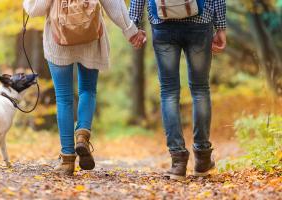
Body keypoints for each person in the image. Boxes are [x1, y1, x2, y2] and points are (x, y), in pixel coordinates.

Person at [23, 0, 146, 175]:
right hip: (91, 36)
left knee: (63, 98)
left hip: (59, 39)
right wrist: (131, 31)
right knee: (88, 90)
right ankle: (82, 135)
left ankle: (67, 159)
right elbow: (114, 5)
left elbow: (35, 9)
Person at [129, 0, 227, 180]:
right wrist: (220, 27)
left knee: (168, 92)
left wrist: (134, 24)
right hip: (200, 21)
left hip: (163, 23)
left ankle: (178, 161)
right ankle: (203, 158)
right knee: (200, 89)